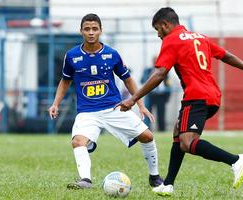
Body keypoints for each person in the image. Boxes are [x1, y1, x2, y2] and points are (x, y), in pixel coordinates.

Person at [119, 7, 243, 196]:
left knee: (187, 142)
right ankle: (168, 184)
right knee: (178, 132)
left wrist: (133, 98)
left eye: (158, 29)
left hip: (196, 97)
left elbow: (159, 73)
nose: (158, 34)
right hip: (212, 95)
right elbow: (226, 55)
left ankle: (235, 160)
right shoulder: (200, 37)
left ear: (165, 25)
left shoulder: (171, 40)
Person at [48, 13, 163, 189]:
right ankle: (85, 180)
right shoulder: (71, 56)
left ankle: (154, 176)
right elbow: (65, 81)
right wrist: (55, 104)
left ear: (101, 30)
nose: (91, 32)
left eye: (95, 29)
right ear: (81, 31)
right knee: (78, 142)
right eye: (87, 29)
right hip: (87, 112)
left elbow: (128, 79)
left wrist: (140, 105)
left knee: (147, 136)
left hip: (114, 108)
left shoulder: (112, 54)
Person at [141, 56, 171, 131]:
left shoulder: (164, 71)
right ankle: (147, 129)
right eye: (154, 61)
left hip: (161, 96)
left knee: (161, 114)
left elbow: (168, 84)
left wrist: (167, 96)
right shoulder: (148, 71)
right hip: (151, 95)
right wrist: (149, 75)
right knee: (148, 113)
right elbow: (142, 81)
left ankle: (162, 130)